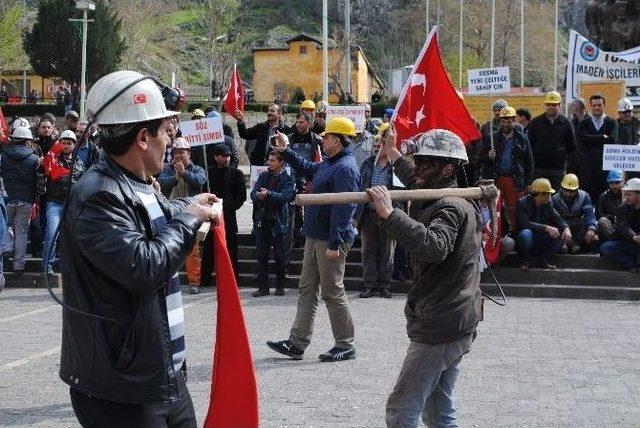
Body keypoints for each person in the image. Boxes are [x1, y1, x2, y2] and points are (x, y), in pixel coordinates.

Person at [59, 70, 220, 427]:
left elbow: (160, 217)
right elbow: (143, 266)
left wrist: (193, 204)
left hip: (162, 377)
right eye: (166, 131)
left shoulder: (138, 184)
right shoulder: (98, 195)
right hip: (122, 390)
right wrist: (191, 217)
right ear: (143, 137)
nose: (172, 138)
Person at [365, 128, 482, 427]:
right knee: (437, 411)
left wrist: (391, 215)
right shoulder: (437, 191)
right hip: (454, 319)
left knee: (402, 410)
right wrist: (393, 154)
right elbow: (416, 178)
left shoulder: (450, 207)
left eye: (425, 164)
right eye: (417, 163)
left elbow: (434, 246)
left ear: (448, 168)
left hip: (441, 325)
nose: (417, 170)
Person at [266, 116, 360, 362]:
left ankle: (345, 344)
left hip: (330, 239)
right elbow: (308, 169)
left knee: (332, 292)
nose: (323, 139)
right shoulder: (331, 163)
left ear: (338, 141)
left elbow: (345, 208)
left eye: (327, 136)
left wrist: (335, 243)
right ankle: (297, 343)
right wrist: (285, 152)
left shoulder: (346, 168)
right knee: (307, 289)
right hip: (316, 236)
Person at [157, 138, 207, 295]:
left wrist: (184, 173)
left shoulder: (197, 168)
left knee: (194, 250)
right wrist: (176, 177)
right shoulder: (166, 168)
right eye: (176, 152)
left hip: (191, 214)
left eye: (181, 152)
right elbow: (161, 183)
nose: (178, 155)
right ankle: (166, 280)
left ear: (189, 153)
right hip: (171, 212)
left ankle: (194, 281)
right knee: (169, 247)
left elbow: (200, 181)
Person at [354, 134, 396, 298]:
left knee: (387, 252)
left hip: (389, 213)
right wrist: (356, 214)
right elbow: (360, 187)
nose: (377, 149)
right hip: (368, 213)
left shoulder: (394, 167)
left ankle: (385, 285)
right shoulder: (367, 163)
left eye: (380, 146)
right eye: (375, 147)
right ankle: (369, 285)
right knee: (368, 251)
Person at [250, 150, 296, 297]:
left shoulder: (288, 179)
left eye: (273, 160)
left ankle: (280, 286)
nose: (269, 163)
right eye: (269, 160)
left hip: (279, 222)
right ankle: (263, 288)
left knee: (279, 256)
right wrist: (258, 195)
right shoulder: (263, 176)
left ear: (281, 162)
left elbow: (284, 197)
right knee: (261, 255)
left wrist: (268, 194)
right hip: (263, 221)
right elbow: (253, 194)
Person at [481, 106, 534, 226]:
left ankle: (515, 234)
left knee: (514, 209)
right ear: (500, 122)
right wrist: (488, 156)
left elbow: (529, 162)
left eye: (509, 121)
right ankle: (496, 235)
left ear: (514, 121)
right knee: (495, 209)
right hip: (496, 179)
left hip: (515, 180)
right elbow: (481, 159)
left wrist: (528, 183)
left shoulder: (522, 138)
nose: (505, 124)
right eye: (503, 121)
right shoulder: (492, 137)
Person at [201, 143, 246, 285]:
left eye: (228, 156)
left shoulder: (236, 173)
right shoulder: (208, 173)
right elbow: (203, 193)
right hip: (211, 217)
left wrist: (229, 207)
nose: (226, 159)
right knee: (208, 249)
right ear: (215, 157)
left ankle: (233, 279)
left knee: (231, 249)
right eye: (223, 156)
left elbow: (241, 196)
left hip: (228, 217)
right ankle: (205, 279)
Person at [42, 130, 85, 275]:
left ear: (74, 145)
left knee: (74, 237)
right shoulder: (51, 159)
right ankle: (47, 265)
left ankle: (71, 266)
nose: (66, 145)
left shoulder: (79, 163)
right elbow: (44, 172)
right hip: (54, 203)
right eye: (63, 142)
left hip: (72, 205)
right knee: (51, 234)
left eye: (69, 143)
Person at [0, 126, 39, 275]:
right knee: (22, 232)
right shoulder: (34, 158)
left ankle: (6, 249)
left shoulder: (2, 156)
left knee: (6, 227)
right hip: (26, 199)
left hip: (6, 199)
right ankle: (19, 266)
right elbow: (38, 180)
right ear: (27, 141)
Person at [516, 178, 570, 270]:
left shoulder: (548, 203)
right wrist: (546, 228)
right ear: (538, 194)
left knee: (561, 234)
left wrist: (566, 228)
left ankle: (543, 260)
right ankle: (526, 261)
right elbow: (525, 223)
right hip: (529, 237)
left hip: (541, 237)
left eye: (549, 194)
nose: (549, 196)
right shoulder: (522, 203)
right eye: (546, 194)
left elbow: (556, 217)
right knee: (525, 234)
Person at [527, 91, 577, 190]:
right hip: (539, 169)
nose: (550, 107)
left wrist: (566, 164)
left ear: (560, 105)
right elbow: (529, 146)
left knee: (557, 199)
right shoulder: (536, 122)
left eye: (554, 104)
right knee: (539, 198)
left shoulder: (566, 123)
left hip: (558, 170)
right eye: (548, 104)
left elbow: (572, 146)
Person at [578, 94, 618, 203]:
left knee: (605, 199)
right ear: (590, 106)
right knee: (588, 199)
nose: (597, 107)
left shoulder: (612, 122)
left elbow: (612, 140)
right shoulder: (583, 123)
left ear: (604, 106)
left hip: (606, 168)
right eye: (594, 105)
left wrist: (591, 139)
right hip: (588, 169)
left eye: (599, 105)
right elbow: (582, 140)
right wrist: (602, 137)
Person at [552, 173, 598, 254]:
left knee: (591, 225)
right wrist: (565, 228)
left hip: (578, 227)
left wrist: (591, 229)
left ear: (577, 189)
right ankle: (572, 245)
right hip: (563, 227)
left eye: (572, 191)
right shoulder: (555, 199)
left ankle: (572, 245)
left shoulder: (585, 196)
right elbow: (555, 218)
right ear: (562, 188)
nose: (568, 194)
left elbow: (589, 214)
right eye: (566, 190)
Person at [601, 177, 640, 272]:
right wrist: (634, 237)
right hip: (630, 243)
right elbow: (623, 225)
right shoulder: (622, 208)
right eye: (626, 194)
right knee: (606, 247)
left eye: (630, 195)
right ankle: (632, 264)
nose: (626, 197)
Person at [597, 170, 624, 241]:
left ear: (622, 182)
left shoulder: (627, 195)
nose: (614, 185)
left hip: (625, 224)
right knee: (602, 221)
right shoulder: (603, 196)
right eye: (612, 183)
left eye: (617, 183)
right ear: (608, 183)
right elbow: (600, 214)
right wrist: (612, 217)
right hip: (611, 225)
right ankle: (616, 241)